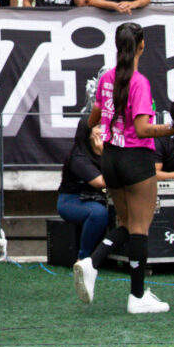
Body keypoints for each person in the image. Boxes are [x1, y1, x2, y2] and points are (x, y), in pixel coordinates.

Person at [73, 22, 174, 314]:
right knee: (140, 227)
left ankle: (91, 262)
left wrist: (108, 121)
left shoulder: (106, 77)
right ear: (142, 46)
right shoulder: (139, 82)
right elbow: (142, 130)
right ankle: (137, 297)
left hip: (111, 158)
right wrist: (171, 129)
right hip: (135, 158)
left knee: (126, 225)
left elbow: (92, 120)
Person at [56, 115, 113, 269]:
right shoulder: (78, 157)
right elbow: (101, 182)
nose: (105, 130)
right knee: (98, 214)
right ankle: (83, 258)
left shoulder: (110, 149)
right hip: (72, 201)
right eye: (100, 127)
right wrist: (104, 153)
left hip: (96, 199)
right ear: (89, 133)